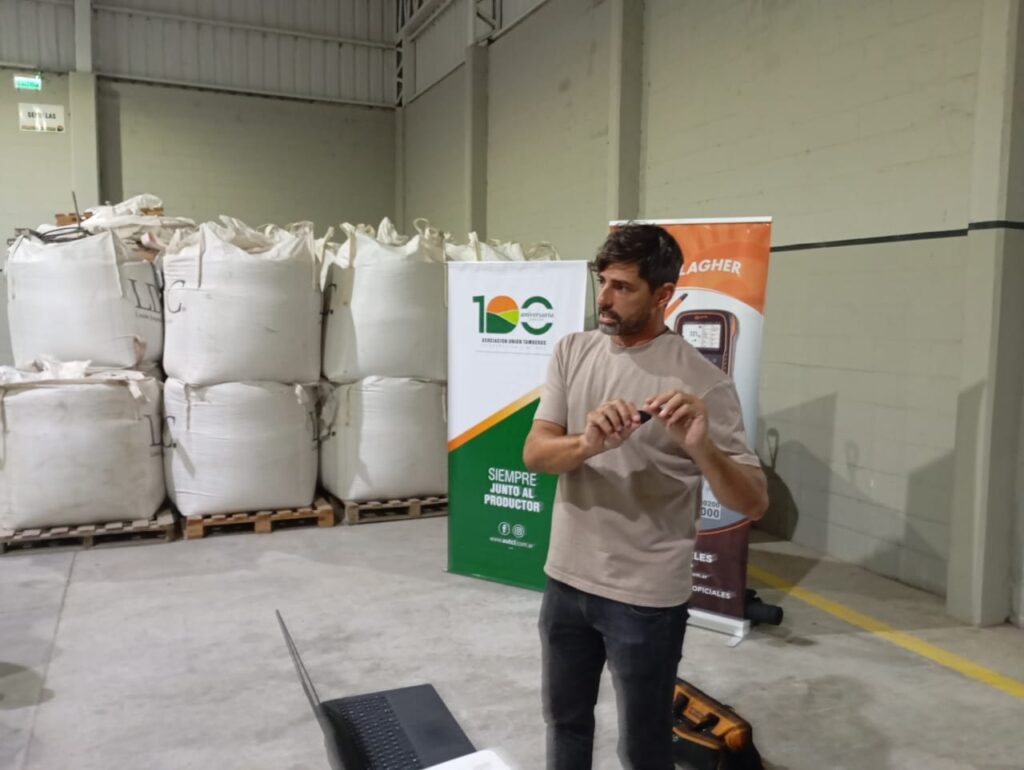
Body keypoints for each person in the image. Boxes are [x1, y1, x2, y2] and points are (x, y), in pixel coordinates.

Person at [522, 223, 768, 770]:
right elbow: (536, 454)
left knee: (644, 746)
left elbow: (753, 502)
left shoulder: (704, 384)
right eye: (602, 282)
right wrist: (587, 444)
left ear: (664, 295)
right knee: (565, 723)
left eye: (623, 287)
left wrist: (702, 446)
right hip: (566, 580)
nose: (605, 299)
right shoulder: (572, 351)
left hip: (646, 598)